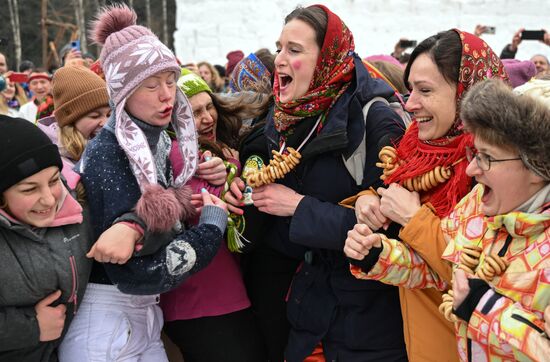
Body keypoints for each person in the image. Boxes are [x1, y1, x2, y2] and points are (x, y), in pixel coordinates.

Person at [226, 5, 407, 361]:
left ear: (328, 58)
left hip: (369, 326)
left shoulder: (376, 121)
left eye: (294, 50)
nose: (279, 59)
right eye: (278, 47)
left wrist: (297, 206)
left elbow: (395, 235)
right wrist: (246, 199)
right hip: (311, 317)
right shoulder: (290, 119)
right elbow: (286, 232)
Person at [58, 5, 227, 361]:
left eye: (170, 80)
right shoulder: (111, 150)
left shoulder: (156, 140)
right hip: (107, 320)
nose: (167, 95)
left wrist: (182, 204)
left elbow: (151, 228)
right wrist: (209, 231)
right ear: (123, 91)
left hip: (142, 315)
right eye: (151, 85)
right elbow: (136, 274)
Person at [344, 30, 508, 362]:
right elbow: (422, 268)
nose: (409, 103)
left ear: (468, 93)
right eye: (410, 90)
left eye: (425, 91)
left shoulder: (499, 170)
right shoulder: (419, 148)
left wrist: (413, 220)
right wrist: (366, 202)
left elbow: (482, 276)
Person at [160, 68, 266, 362]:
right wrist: (230, 184)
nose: (207, 118)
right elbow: (203, 203)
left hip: (221, 293)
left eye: (209, 107)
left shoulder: (220, 152)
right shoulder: (180, 154)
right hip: (204, 298)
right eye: (194, 113)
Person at [0, 116, 93, 361]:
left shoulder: (75, 208)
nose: (50, 199)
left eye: (53, 181)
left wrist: (131, 228)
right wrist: (31, 327)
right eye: (29, 189)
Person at [37, 65, 110, 169]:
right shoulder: (53, 159)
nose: (106, 122)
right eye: (95, 116)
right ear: (70, 120)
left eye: (109, 115)